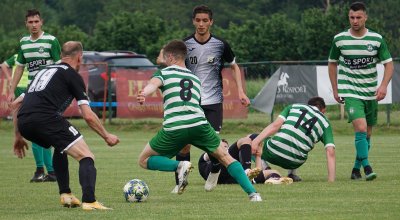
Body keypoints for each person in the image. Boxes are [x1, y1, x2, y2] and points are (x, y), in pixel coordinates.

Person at [136, 39, 262, 201]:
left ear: (172, 58)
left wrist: (144, 93)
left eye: (166, 58)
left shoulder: (164, 73)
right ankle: (253, 194)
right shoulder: (195, 79)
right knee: (225, 157)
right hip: (199, 124)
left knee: (144, 160)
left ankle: (179, 166)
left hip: (175, 126)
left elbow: (153, 84)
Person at [12, 41, 120, 210]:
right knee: (86, 156)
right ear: (80, 57)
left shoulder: (43, 72)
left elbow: (16, 104)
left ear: (62, 55)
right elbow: (88, 116)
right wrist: (107, 136)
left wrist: (18, 136)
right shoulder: (72, 75)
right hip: (46, 118)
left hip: (25, 122)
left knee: (60, 147)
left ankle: (66, 195)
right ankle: (90, 201)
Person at [173, 4, 251, 192]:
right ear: (193, 21)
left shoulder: (220, 45)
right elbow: (175, 70)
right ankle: (180, 183)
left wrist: (240, 91)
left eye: (205, 20)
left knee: (212, 144)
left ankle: (215, 170)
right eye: (198, 20)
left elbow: (234, 66)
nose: (201, 24)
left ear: (211, 22)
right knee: (184, 144)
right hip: (190, 101)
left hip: (214, 101)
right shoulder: (184, 45)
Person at [328, 2, 393, 181]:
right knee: (362, 128)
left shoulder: (376, 39)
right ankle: (367, 167)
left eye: (358, 17)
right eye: (351, 17)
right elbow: (332, 63)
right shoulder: (340, 39)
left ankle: (355, 169)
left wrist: (383, 85)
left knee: (367, 134)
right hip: (350, 92)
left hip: (370, 93)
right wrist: (335, 89)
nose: (355, 21)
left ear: (365, 17)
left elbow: (389, 64)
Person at [8, 9, 62, 183]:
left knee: (40, 129)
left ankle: (49, 170)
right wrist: (11, 89)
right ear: (26, 24)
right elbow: (20, 67)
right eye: (30, 22)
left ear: (41, 22)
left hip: (47, 92)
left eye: (36, 22)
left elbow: (59, 67)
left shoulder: (51, 41)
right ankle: (44, 171)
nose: (33, 25)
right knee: (32, 128)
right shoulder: (24, 42)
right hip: (31, 90)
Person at [251, 97, 336, 182]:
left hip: (274, 152)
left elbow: (275, 126)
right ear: (323, 110)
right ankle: (292, 174)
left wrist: (255, 141)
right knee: (299, 142)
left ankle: (267, 170)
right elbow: (330, 151)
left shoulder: (294, 107)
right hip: (296, 161)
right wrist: (331, 181)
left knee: (251, 140)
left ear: (308, 105)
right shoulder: (325, 123)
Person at [198, 138, 293, 185]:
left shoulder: (233, 161)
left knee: (274, 172)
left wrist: (258, 156)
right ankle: (246, 171)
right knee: (246, 140)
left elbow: (257, 171)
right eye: (223, 146)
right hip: (218, 173)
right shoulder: (205, 160)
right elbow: (210, 152)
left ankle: (273, 180)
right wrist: (222, 150)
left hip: (234, 179)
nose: (225, 148)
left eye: (226, 146)